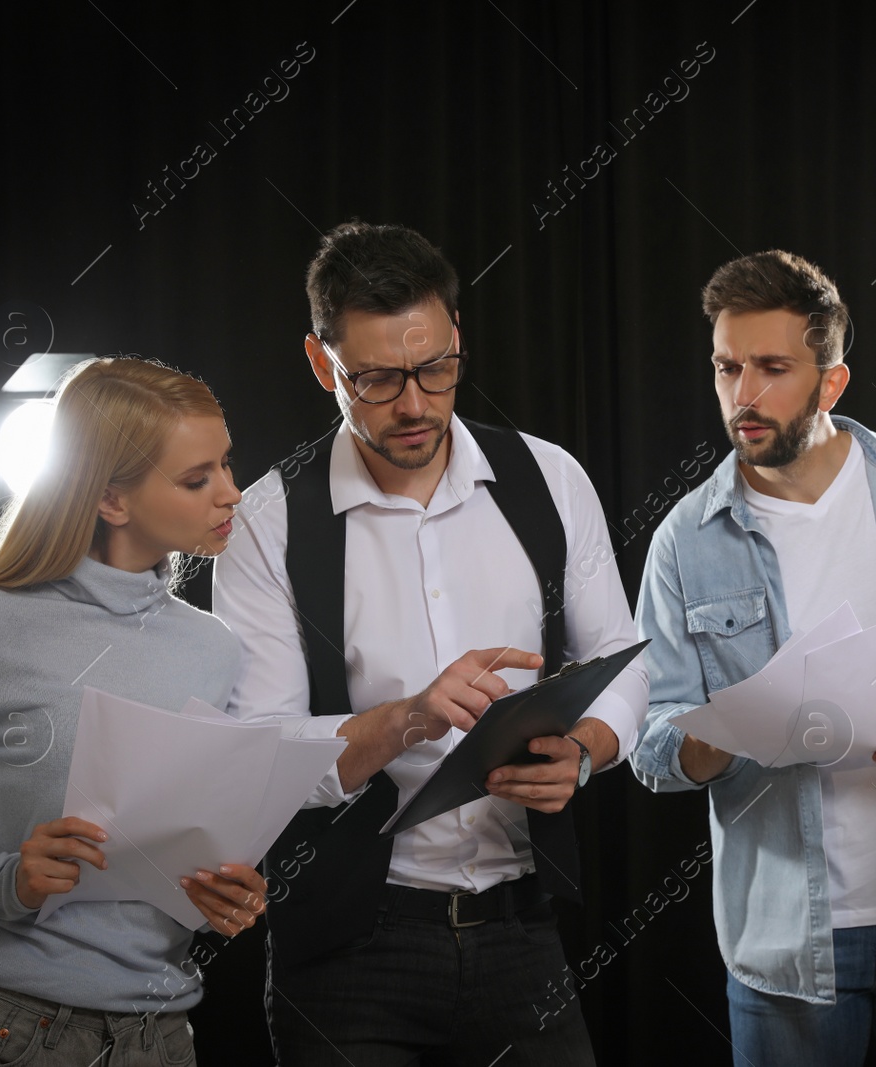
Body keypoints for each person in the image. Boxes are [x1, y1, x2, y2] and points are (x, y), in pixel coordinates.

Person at [211, 219, 648, 1065]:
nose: (414, 404)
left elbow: (621, 660)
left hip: (523, 927)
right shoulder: (268, 522)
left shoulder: (550, 479)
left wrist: (588, 749)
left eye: (435, 368)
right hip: (348, 950)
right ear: (320, 363)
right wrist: (404, 718)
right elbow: (259, 752)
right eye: (375, 379)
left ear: (457, 339)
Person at [630, 249, 876, 1066]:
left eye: (772, 367)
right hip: (786, 942)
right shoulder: (683, 541)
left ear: (831, 382)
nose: (744, 394)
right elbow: (650, 745)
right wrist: (730, 730)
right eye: (728, 366)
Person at [0, 357, 268, 1066]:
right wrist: (7, 881)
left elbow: (175, 851)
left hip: (158, 1037)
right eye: (198, 478)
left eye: (225, 465)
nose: (232, 494)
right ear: (112, 500)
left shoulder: (214, 647)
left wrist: (222, 895)